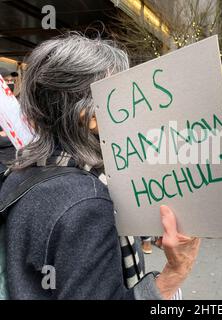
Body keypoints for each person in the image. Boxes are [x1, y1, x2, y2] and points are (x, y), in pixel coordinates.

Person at [0, 34, 200, 300]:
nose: (133, 107)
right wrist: (176, 270)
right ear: (89, 115)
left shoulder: (22, 170)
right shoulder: (89, 202)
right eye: (122, 96)